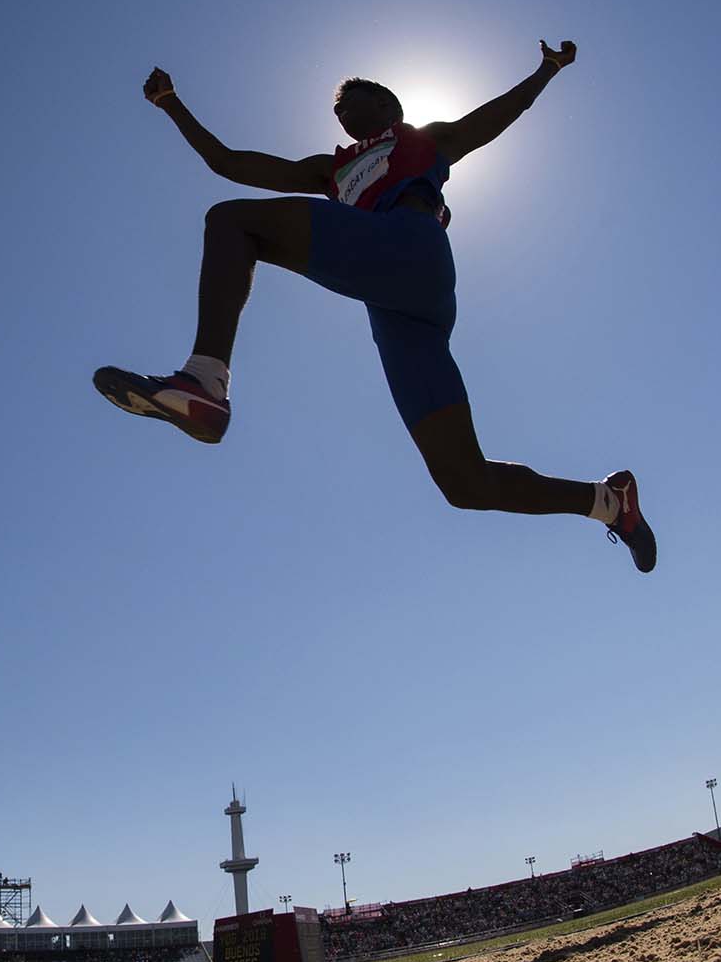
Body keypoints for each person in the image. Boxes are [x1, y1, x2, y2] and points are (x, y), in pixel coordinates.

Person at [93, 43, 656, 572]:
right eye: (336, 112)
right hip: (397, 312)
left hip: (411, 248)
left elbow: (495, 116)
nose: (341, 114)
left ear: (390, 105)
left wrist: (546, 71)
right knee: (463, 483)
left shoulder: (426, 139)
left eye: (352, 102)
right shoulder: (327, 169)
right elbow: (229, 161)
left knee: (231, 221)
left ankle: (204, 380)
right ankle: (610, 504)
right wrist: (172, 106)